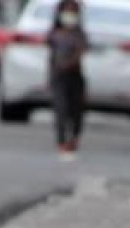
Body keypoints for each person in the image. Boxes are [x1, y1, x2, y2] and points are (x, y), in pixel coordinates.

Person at [49, 0, 88, 160]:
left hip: (75, 76)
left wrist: (69, 63)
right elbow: (51, 56)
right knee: (61, 108)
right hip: (58, 76)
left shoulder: (79, 35)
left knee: (76, 111)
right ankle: (61, 141)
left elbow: (81, 52)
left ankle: (74, 137)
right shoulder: (55, 34)